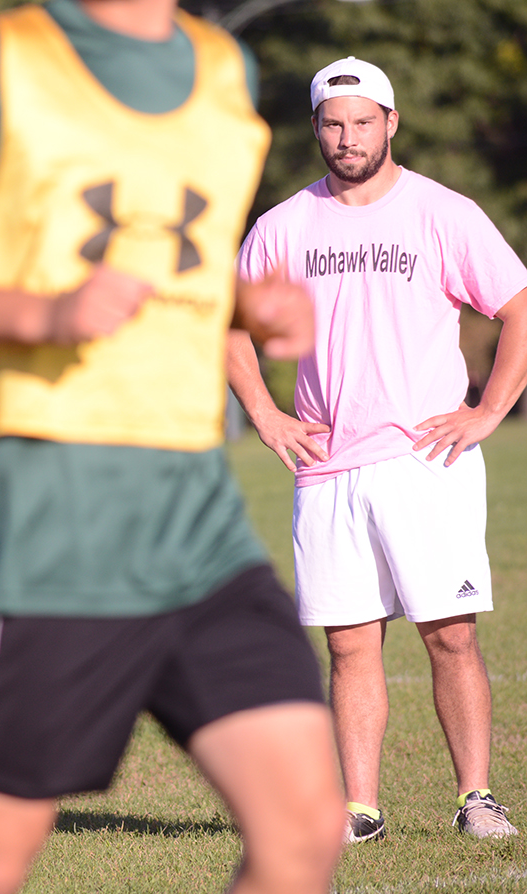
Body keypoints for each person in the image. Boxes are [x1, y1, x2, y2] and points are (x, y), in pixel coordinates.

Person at [0, 1, 347, 891]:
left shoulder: (224, 66)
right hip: (47, 522)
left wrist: (247, 308)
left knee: (306, 831)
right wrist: (44, 315)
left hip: (199, 524)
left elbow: (174, 263)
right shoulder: (1, 61)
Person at [226, 56, 527, 843]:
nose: (347, 136)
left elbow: (517, 302)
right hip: (326, 468)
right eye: (333, 122)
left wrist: (491, 407)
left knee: (450, 634)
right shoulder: (285, 225)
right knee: (351, 645)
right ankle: (360, 809)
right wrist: (263, 410)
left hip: (427, 462)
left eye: (363, 121)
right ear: (316, 127)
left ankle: (477, 798)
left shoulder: (441, 212)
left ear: (391, 123)